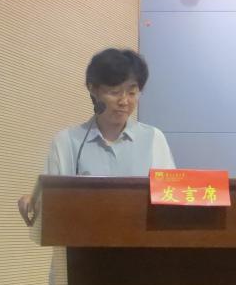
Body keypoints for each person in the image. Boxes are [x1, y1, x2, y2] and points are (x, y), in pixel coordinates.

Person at [18, 48, 174, 225]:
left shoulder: (154, 139)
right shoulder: (67, 142)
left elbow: (168, 198)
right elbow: (48, 200)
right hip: (80, 240)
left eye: (132, 93)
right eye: (114, 92)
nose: (124, 101)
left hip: (141, 240)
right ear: (93, 90)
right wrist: (32, 203)